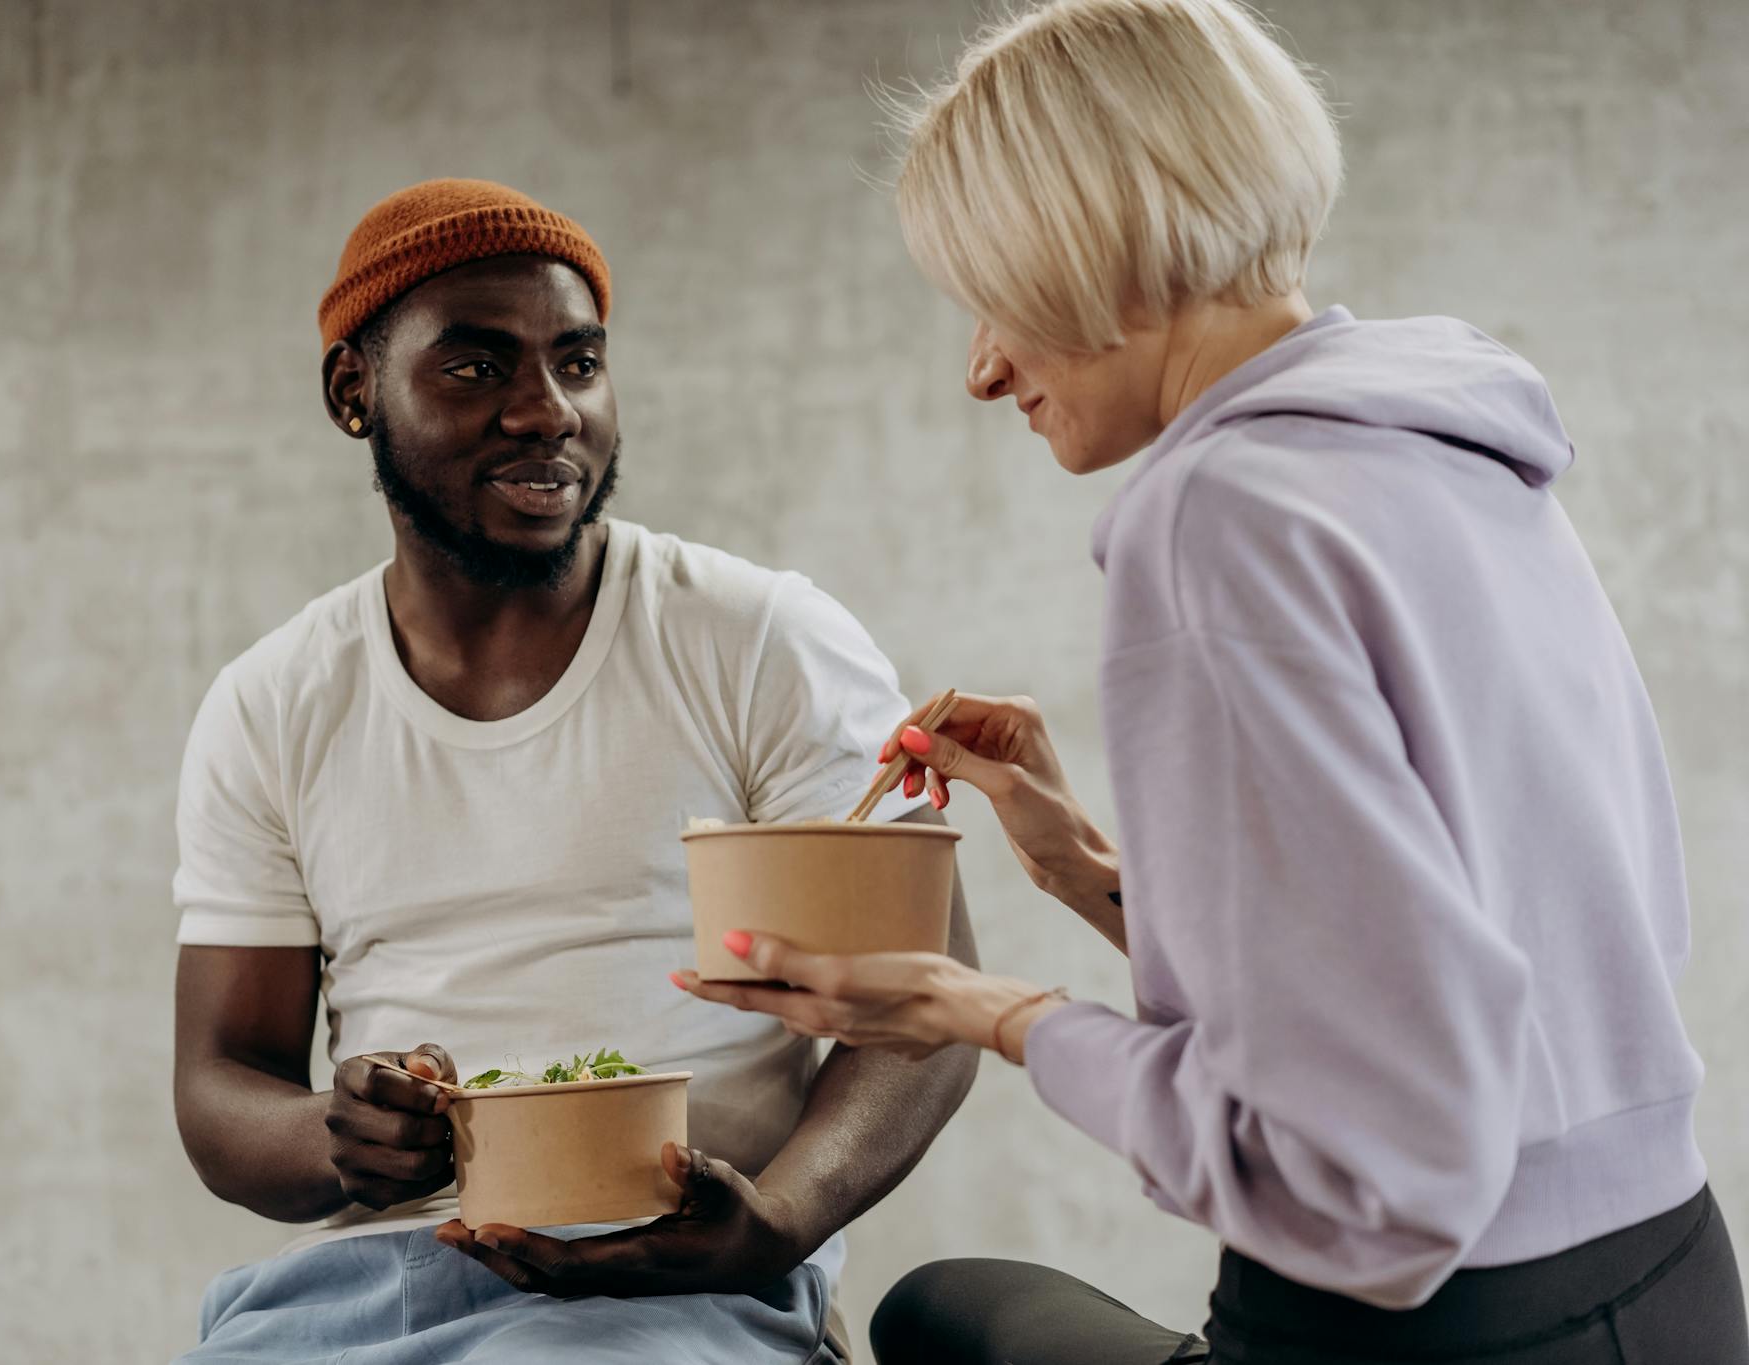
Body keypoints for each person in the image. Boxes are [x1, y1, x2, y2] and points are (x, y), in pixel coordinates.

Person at [676, 3, 1749, 1362]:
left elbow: (1365, 1182)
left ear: (1100, 254)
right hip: (1674, 1282)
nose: (982, 366)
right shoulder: (1445, 439)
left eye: (995, 300)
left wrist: (988, 1011)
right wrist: (1080, 868)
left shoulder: (1216, 517)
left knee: (938, 1313)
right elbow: (1420, 975)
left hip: (1432, 1332)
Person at [168, 178, 978, 1364]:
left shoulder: (755, 640)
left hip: (680, 1282)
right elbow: (221, 1083)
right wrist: (335, 1138)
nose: (545, 412)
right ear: (355, 392)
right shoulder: (272, 701)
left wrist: (779, 1223)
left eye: (578, 362)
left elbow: (928, 1004)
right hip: (370, 1281)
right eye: (475, 367)